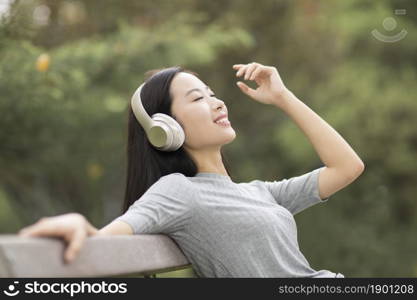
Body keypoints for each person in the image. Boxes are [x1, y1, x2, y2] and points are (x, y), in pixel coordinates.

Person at [18, 62, 365, 277]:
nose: (217, 102)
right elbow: (105, 240)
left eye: (212, 93)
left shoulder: (261, 192)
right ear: (164, 128)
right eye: (198, 98)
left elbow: (347, 166)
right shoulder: (179, 191)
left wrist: (283, 96)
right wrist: (79, 224)